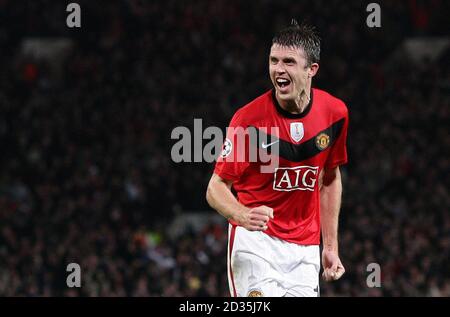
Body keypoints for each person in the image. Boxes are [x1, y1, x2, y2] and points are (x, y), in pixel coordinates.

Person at [206, 20, 349, 297]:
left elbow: (329, 179)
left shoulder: (335, 113)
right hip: (256, 242)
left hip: (305, 249)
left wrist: (330, 247)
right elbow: (215, 187)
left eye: (289, 62)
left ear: (312, 70)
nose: (278, 70)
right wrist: (241, 214)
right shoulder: (248, 121)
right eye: (273, 61)